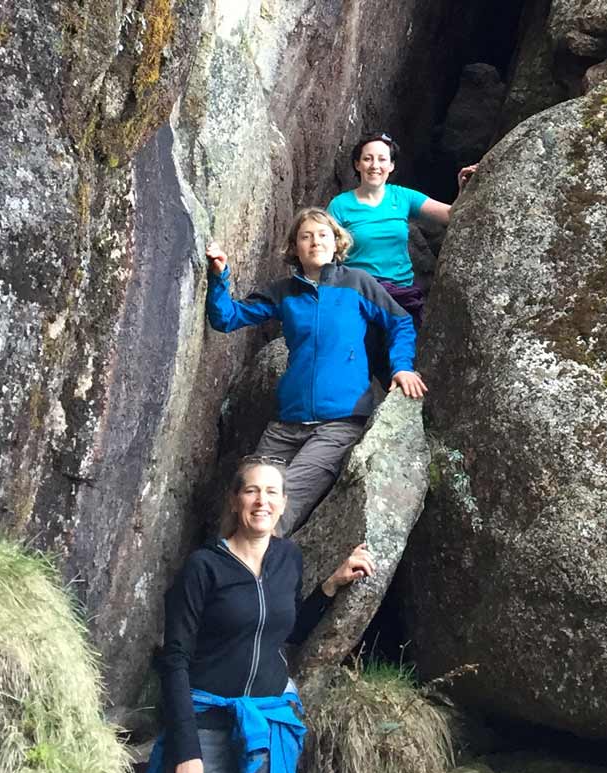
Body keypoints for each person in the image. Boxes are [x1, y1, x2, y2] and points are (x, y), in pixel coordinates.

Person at [140, 458, 376, 773]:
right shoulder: (203, 567)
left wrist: (331, 586)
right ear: (235, 501)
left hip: (263, 731)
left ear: (283, 503)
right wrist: (186, 750)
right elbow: (175, 659)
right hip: (207, 730)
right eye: (251, 490)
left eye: (271, 492)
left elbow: (286, 630)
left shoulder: (288, 558)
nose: (261, 501)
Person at [204, 207, 426, 536]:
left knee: (278, 504)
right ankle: (227, 566)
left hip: (339, 422)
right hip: (286, 423)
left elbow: (400, 322)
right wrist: (219, 275)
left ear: (336, 243)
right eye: (305, 237)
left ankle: (255, 566)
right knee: (245, 498)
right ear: (294, 247)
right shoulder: (284, 292)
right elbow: (227, 318)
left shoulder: (357, 283)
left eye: (323, 235)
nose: (315, 242)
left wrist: (402, 367)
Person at [325, 131, 478, 327]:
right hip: (358, 294)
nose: (375, 165)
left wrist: (463, 187)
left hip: (400, 295)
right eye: (368, 159)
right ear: (357, 164)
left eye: (382, 159)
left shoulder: (402, 196)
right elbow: (325, 251)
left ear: (391, 165)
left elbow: (450, 216)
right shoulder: (340, 205)